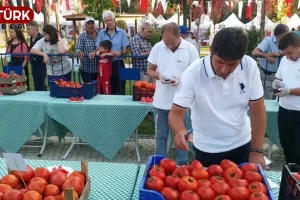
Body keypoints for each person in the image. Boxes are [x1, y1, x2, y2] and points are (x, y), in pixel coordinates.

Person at [169, 28, 267, 168]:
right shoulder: (193, 73)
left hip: (242, 142)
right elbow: (175, 113)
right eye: (220, 62)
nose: (225, 69)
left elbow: (258, 110)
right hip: (207, 147)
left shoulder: (249, 66)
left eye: (232, 64)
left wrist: (257, 150)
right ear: (211, 51)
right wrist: (180, 130)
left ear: (242, 58)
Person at [147, 22, 199, 166]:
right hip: (161, 101)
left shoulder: (190, 49)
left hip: (182, 102)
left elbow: (196, 73)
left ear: (179, 36)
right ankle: (160, 165)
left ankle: (182, 164)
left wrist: (182, 78)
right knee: (161, 135)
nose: (169, 45)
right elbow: (150, 70)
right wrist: (160, 76)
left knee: (181, 134)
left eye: (172, 42)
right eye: (166, 42)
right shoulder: (158, 47)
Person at [272, 32, 300, 166]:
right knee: (287, 147)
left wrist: (290, 91)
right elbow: (279, 77)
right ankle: (292, 178)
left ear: (298, 46)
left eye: (290, 53)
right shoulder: (284, 60)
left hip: (299, 112)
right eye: (285, 54)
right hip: (284, 110)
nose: (288, 56)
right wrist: (276, 83)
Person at [90, 10, 129, 95]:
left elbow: (125, 49)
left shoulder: (122, 32)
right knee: (110, 87)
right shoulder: (101, 33)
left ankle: (123, 106)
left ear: (114, 19)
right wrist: (95, 51)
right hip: (106, 64)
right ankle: (111, 107)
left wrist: (120, 52)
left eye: (110, 20)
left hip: (118, 63)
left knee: (121, 86)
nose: (108, 22)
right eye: (106, 20)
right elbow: (98, 47)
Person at [252, 24, 288, 99]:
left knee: (276, 99)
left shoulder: (285, 43)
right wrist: (268, 55)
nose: (288, 36)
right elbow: (254, 53)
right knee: (267, 99)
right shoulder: (268, 41)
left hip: (278, 77)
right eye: (286, 34)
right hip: (266, 76)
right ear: (280, 34)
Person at [76, 16, 99, 83]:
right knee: (89, 89)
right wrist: (79, 51)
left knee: (100, 90)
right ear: (85, 25)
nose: (91, 25)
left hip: (99, 68)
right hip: (86, 69)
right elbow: (77, 48)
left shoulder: (100, 34)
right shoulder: (82, 36)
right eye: (89, 23)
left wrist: (95, 52)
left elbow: (103, 46)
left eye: (92, 23)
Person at [27, 21, 47, 91]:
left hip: (40, 63)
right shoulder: (31, 39)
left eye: (29, 29)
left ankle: (43, 98)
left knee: (41, 82)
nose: (27, 31)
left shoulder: (42, 38)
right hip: (33, 63)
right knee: (36, 82)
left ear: (35, 29)